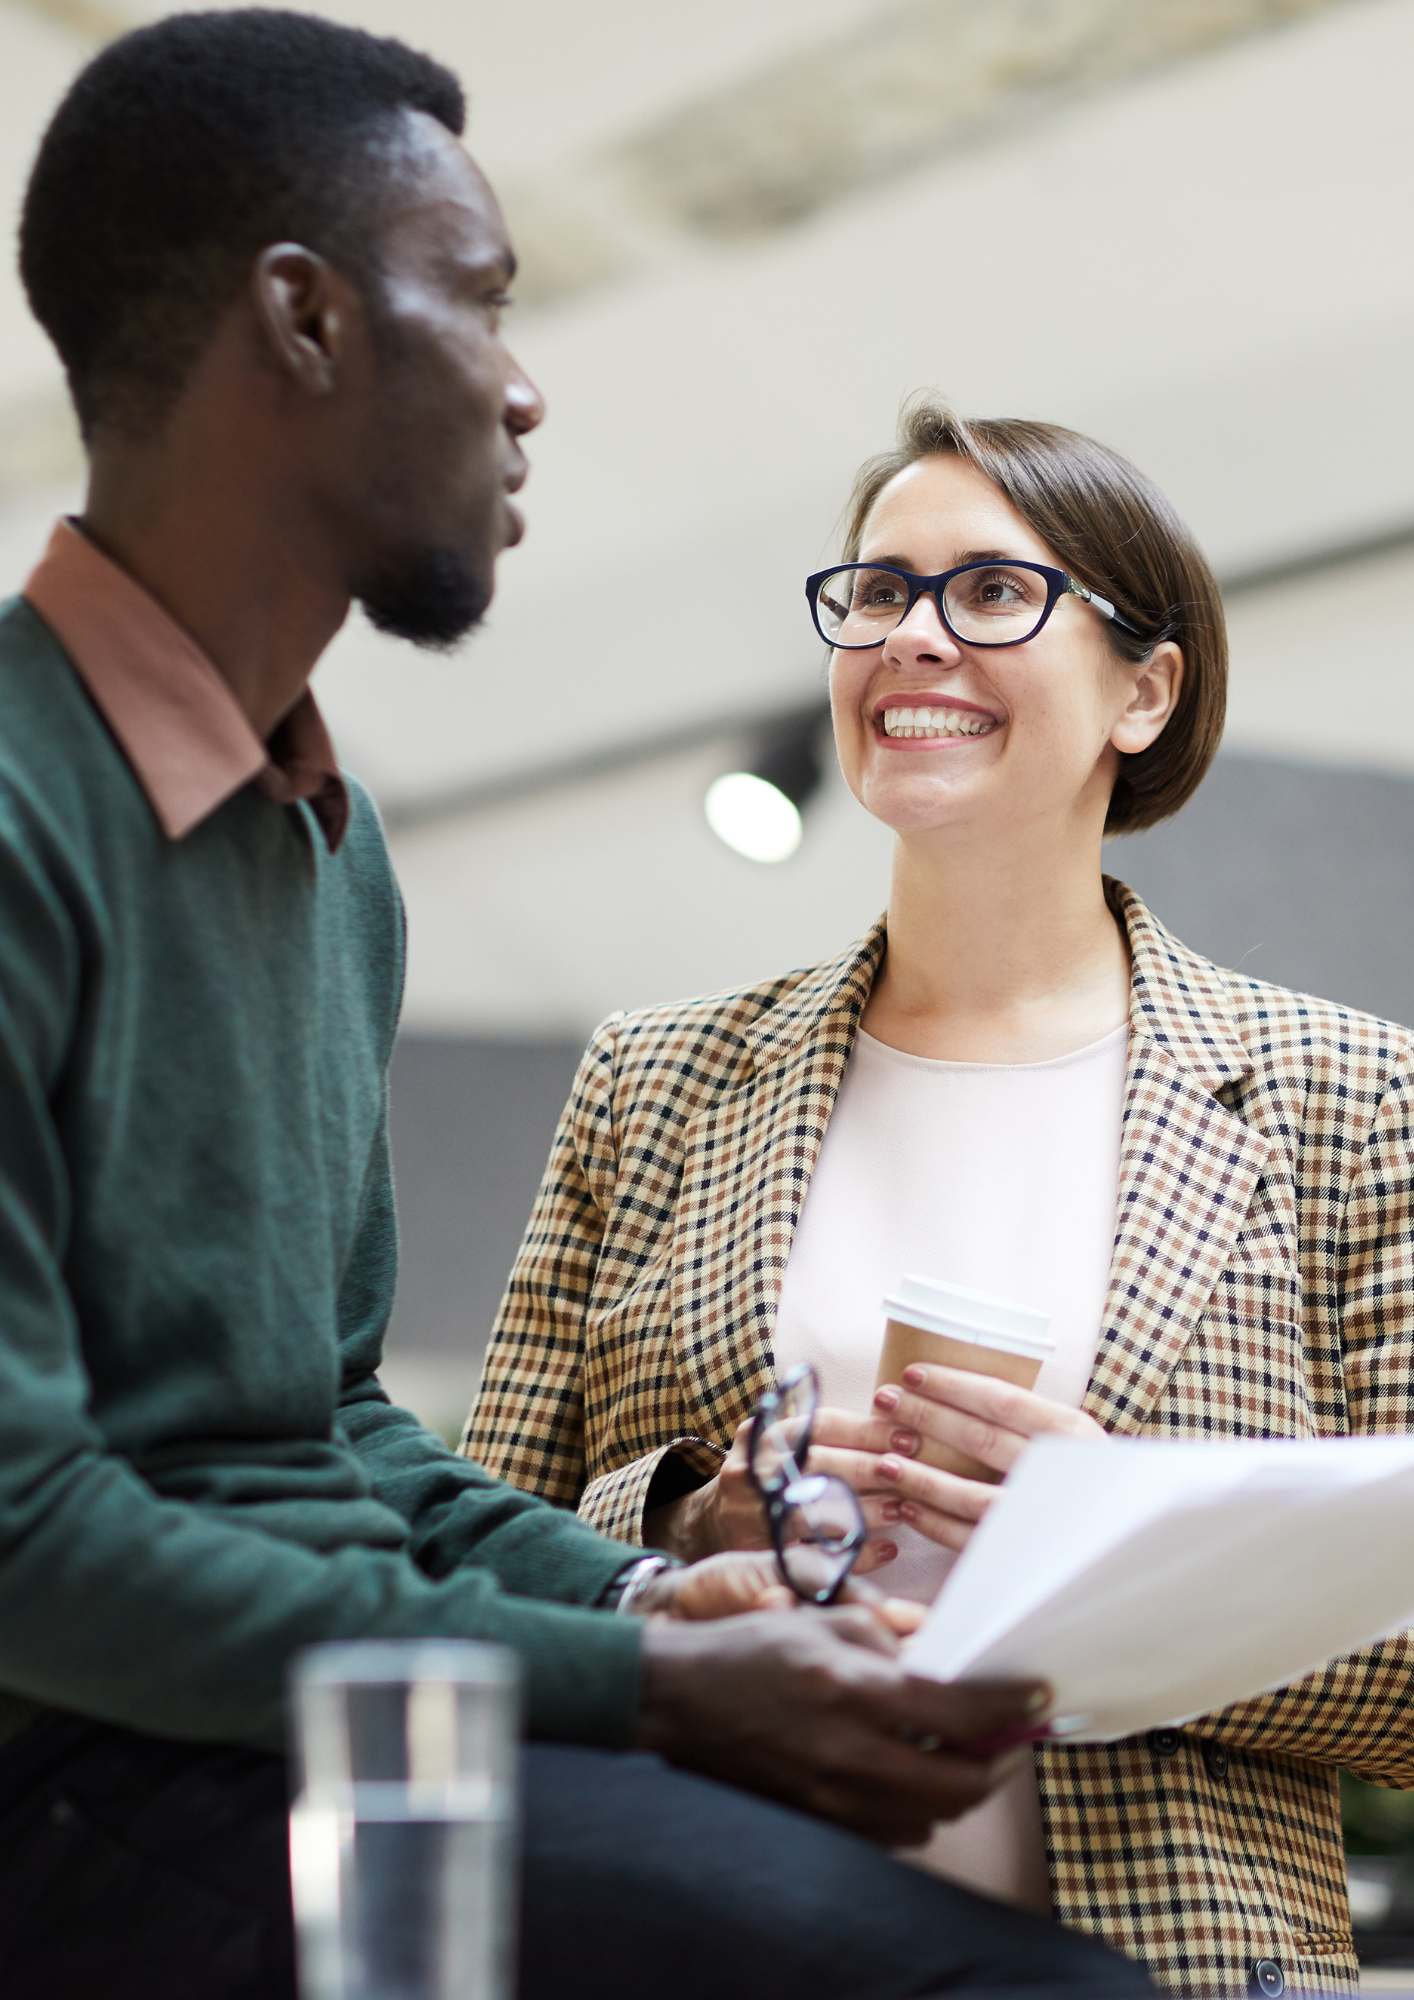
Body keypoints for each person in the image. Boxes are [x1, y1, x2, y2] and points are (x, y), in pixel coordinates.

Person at [0, 14, 1161, 2000]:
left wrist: (648, 1594)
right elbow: (26, 1539)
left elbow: (332, 1428)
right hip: (101, 1786)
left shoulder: (322, 842)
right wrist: (643, 1678)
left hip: (343, 1731)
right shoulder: (23, 808)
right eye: (481, 299)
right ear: (303, 321)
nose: (523, 391)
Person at [467, 399, 1414, 1996]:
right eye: (879, 592)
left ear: (1143, 688)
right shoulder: (655, 1079)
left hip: (1163, 1967)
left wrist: (1127, 1547)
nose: (913, 636)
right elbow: (462, 1560)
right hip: (698, 1940)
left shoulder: (1353, 1100)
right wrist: (682, 1530)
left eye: (989, 592)